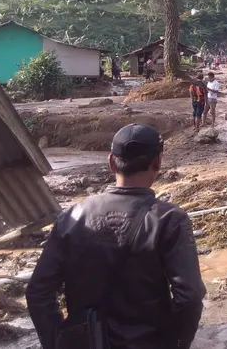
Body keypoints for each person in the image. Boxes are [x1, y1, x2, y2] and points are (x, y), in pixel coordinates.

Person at [26, 124, 205, 349]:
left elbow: (38, 292)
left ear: (111, 162)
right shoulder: (170, 219)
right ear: (158, 163)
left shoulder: (71, 217)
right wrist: (177, 343)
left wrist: (59, 341)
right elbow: (189, 297)